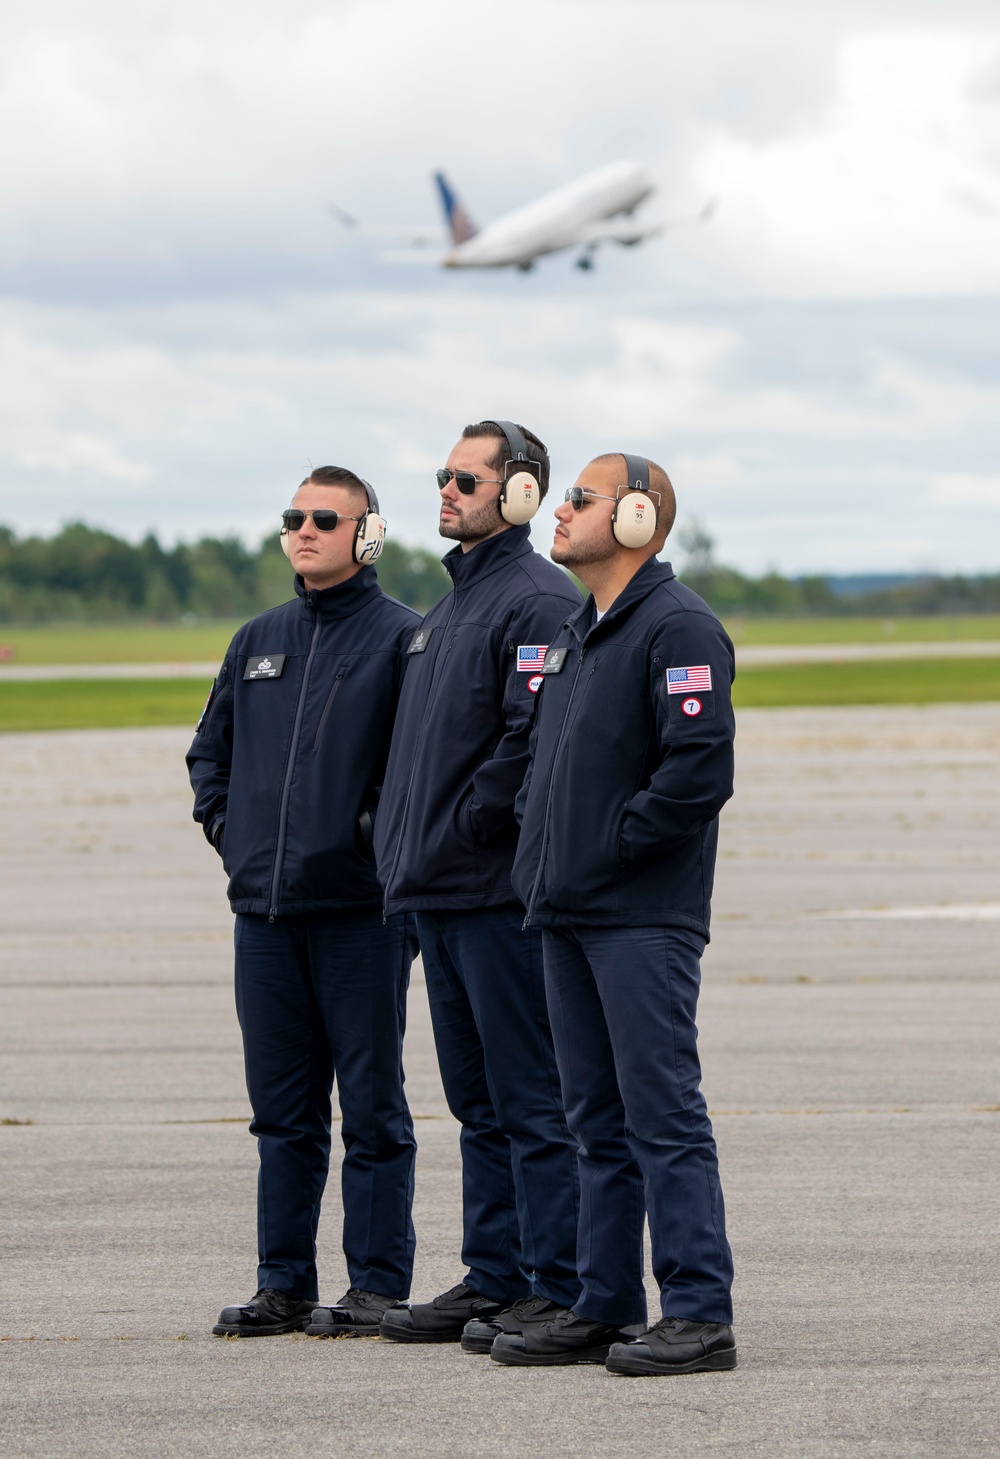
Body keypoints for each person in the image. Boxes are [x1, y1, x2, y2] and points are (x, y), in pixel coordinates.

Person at [495, 451, 738, 1375]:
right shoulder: (574, 630)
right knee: (592, 1116)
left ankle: (699, 1313)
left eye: (581, 499)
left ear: (637, 518)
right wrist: (541, 851)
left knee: (660, 1113)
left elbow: (697, 770)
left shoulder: (678, 628)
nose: (559, 511)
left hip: (639, 914)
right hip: (565, 911)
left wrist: (611, 848)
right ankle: (604, 1303)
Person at [187, 466, 420, 1339]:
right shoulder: (257, 639)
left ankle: (377, 1285)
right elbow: (209, 756)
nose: (306, 529)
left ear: (367, 535)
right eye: (294, 517)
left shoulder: (406, 640)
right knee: (282, 1114)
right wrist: (234, 833)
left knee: (371, 1108)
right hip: (266, 917)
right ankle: (282, 1282)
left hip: (363, 915)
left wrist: (368, 842)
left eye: (327, 517)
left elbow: (421, 772)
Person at [374, 420, 583, 1349]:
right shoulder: (446, 611)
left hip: (494, 897)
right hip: (434, 896)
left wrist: (460, 831)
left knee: (530, 1098)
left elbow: (523, 744)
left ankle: (556, 1281)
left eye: (466, 477)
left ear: (522, 492)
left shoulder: (536, 600)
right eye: (443, 475)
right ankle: (495, 1273)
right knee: (476, 1100)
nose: (447, 489)